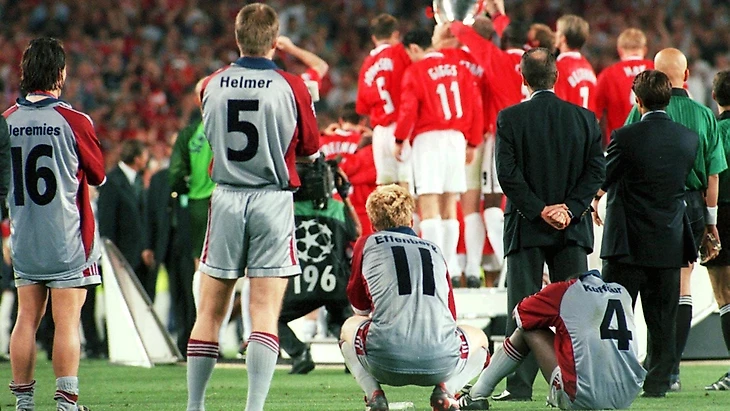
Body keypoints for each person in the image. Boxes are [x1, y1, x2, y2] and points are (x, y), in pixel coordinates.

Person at [185, 4, 319, 411]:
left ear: (237, 38)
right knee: (262, 312)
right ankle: (254, 408)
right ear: (275, 41)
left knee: (209, 311)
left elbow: (206, 117)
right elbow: (311, 148)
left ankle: (195, 405)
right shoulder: (291, 85)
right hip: (272, 198)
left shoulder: (211, 84)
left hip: (226, 196)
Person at [493, 47, 605, 402]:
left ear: (522, 79)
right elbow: (596, 172)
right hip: (571, 228)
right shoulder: (585, 119)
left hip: (526, 225)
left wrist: (539, 209)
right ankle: (579, 384)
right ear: (556, 78)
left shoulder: (509, 119)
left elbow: (507, 176)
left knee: (523, 308)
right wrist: (569, 209)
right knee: (576, 311)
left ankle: (519, 387)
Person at [5, 37, 105, 411]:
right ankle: (66, 403)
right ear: (60, 73)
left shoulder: (6, 122)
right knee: (66, 322)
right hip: (67, 238)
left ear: (25, 73)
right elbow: (97, 176)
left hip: (24, 238)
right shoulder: (75, 120)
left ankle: (23, 403)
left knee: (26, 318)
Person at [625, 48, 727, 391]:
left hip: (646, 205)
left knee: (649, 283)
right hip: (691, 205)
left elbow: (624, 155)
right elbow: (713, 174)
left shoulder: (637, 113)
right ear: (685, 77)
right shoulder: (704, 115)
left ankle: (650, 366)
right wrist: (711, 222)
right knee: (680, 286)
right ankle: (670, 371)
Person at [595, 70, 699, 397]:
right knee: (662, 320)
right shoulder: (688, 138)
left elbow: (606, 179)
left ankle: (615, 380)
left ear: (637, 100)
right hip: (669, 242)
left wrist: (594, 198)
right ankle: (658, 384)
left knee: (616, 318)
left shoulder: (625, 137)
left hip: (626, 242)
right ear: (668, 97)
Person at [341, 184, 490, 411]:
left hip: (384, 361)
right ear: (411, 220)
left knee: (349, 326)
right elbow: (450, 315)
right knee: (480, 339)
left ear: (372, 223)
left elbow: (359, 307)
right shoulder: (434, 249)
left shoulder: (367, 242)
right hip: (441, 362)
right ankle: (446, 392)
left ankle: (374, 396)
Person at [458, 270, 646, 410]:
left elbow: (520, 314)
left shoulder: (565, 290)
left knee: (528, 329)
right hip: (627, 396)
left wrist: (546, 296)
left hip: (584, 398)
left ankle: (476, 395)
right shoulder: (621, 292)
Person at [393, 29, 483, 281]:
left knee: (429, 202)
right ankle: (452, 266)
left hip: (428, 139)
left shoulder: (416, 71)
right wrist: (473, 142)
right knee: (449, 205)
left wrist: (400, 139)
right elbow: (475, 106)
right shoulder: (459, 69)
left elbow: (409, 108)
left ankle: (433, 264)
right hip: (456, 138)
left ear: (414, 49)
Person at [450, 0, 527, 284]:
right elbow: (508, 36)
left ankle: (511, 259)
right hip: (533, 139)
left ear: (502, 41)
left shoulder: (499, 59)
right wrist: (498, 15)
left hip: (504, 138)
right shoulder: (537, 59)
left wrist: (452, 19)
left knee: (492, 204)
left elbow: (470, 37)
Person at [279, 155, 359, 374]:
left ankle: (299, 353)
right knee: (340, 320)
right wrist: (345, 197)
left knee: (272, 318)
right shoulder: (336, 208)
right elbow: (357, 233)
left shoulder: (286, 209)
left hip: (300, 285)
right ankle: (352, 358)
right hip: (336, 284)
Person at [432, 22, 489, 285]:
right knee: (470, 207)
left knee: (439, 204)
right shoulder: (476, 61)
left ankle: (448, 264)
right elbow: (481, 103)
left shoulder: (435, 61)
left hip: (435, 139)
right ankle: (472, 270)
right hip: (470, 139)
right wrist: (475, 140)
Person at [356, 14, 412, 187]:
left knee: (385, 188)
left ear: (374, 37)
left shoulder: (367, 63)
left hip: (380, 131)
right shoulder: (401, 53)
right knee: (406, 184)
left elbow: (362, 106)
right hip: (402, 126)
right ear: (395, 34)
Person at [147, 160, 196, 358]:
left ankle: (195, 342)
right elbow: (150, 215)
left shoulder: (196, 177)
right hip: (168, 246)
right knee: (177, 296)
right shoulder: (159, 179)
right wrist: (149, 245)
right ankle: (182, 343)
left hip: (191, 246)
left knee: (192, 295)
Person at [97, 140, 156, 299]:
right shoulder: (111, 181)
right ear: (136, 158)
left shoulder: (139, 179)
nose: (147, 159)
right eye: (144, 155)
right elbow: (106, 222)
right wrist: (112, 256)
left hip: (140, 257)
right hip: (123, 256)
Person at [703, 70, 730, 390]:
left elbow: (708, 175)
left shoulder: (714, 131)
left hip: (722, 215)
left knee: (725, 296)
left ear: (714, 97)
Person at [594, 28, 654, 147]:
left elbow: (595, 117)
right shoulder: (656, 69)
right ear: (644, 49)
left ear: (620, 51)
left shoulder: (607, 75)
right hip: (653, 143)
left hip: (620, 146)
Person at [554, 15, 597, 113]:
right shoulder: (588, 67)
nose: (554, 34)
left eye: (557, 31)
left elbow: (557, 106)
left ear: (562, 38)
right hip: (587, 125)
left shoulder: (559, 67)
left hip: (568, 125)